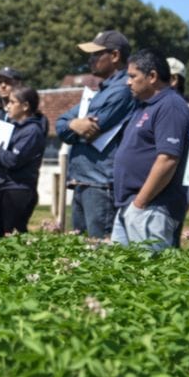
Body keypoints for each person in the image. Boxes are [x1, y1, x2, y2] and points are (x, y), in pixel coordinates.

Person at [56, 30, 137, 237]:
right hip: (83, 181)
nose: (90, 60)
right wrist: (74, 124)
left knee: (98, 253)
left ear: (115, 56)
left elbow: (90, 131)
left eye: (96, 54)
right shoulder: (99, 91)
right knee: (81, 254)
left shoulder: (122, 90)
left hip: (100, 184)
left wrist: (73, 126)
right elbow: (60, 125)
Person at [111, 49, 189, 252]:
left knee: (148, 280)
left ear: (153, 76)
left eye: (133, 76)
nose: (127, 82)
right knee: (117, 276)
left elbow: (167, 159)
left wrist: (140, 203)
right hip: (132, 207)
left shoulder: (171, 106)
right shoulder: (144, 106)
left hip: (151, 207)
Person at [0, 86, 47, 238]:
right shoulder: (14, 128)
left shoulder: (32, 131)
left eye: (12, 102)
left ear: (25, 106)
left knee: (12, 238)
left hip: (17, 191)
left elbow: (14, 160)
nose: (7, 106)